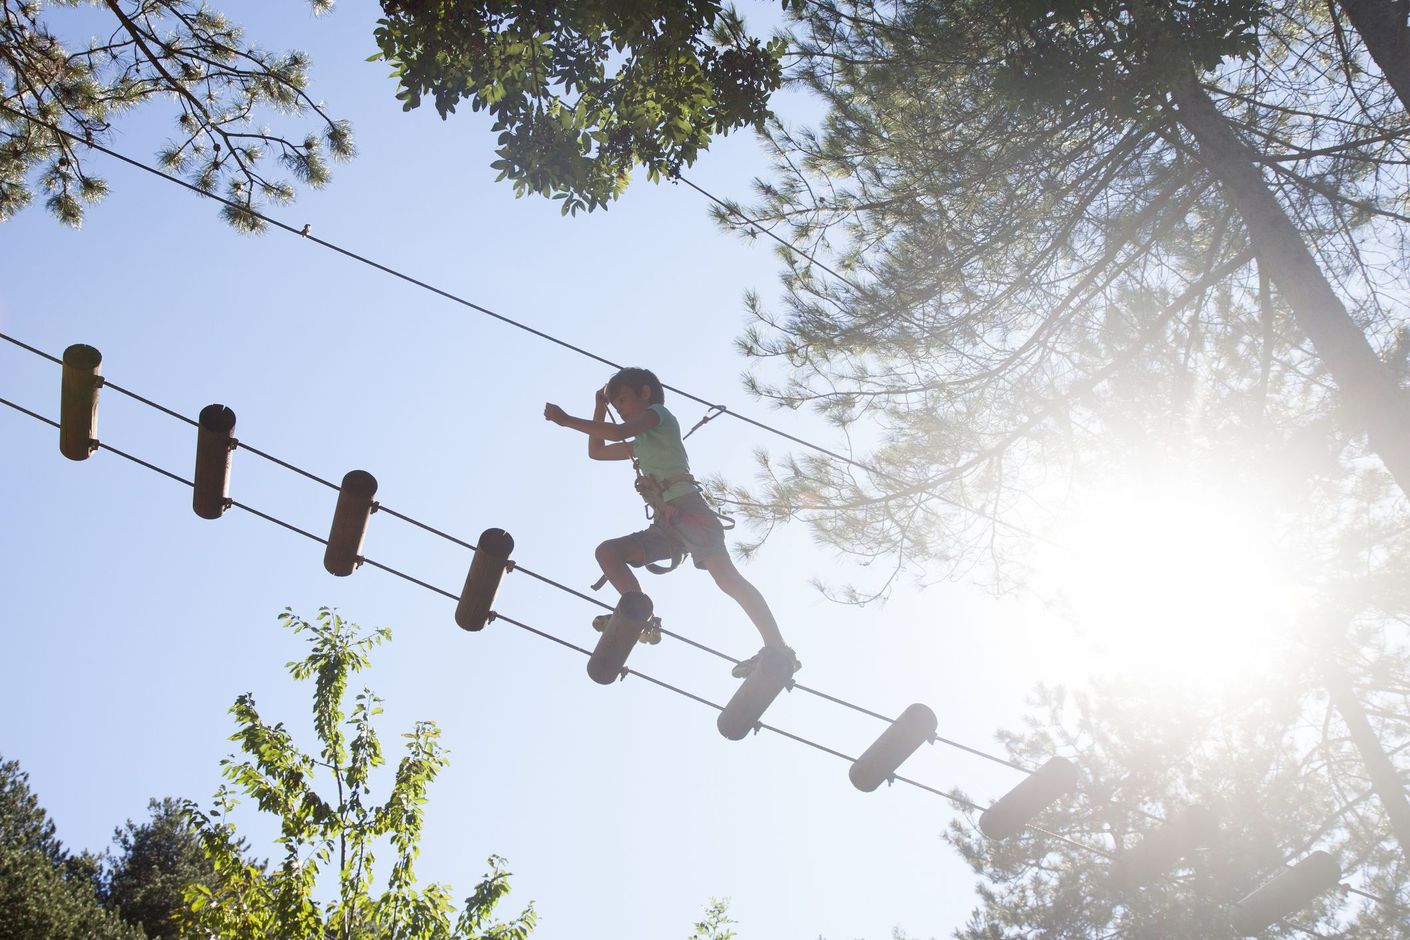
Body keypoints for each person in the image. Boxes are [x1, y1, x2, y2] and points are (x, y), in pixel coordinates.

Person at [543, 367, 800, 679]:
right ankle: (642, 617)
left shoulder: (659, 416)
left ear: (645, 393)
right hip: (666, 525)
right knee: (608, 553)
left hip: (691, 514)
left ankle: (778, 648)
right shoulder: (641, 443)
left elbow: (617, 432)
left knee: (727, 580)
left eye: (622, 400)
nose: (620, 409)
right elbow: (596, 451)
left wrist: (566, 419)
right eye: (616, 404)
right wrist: (599, 407)